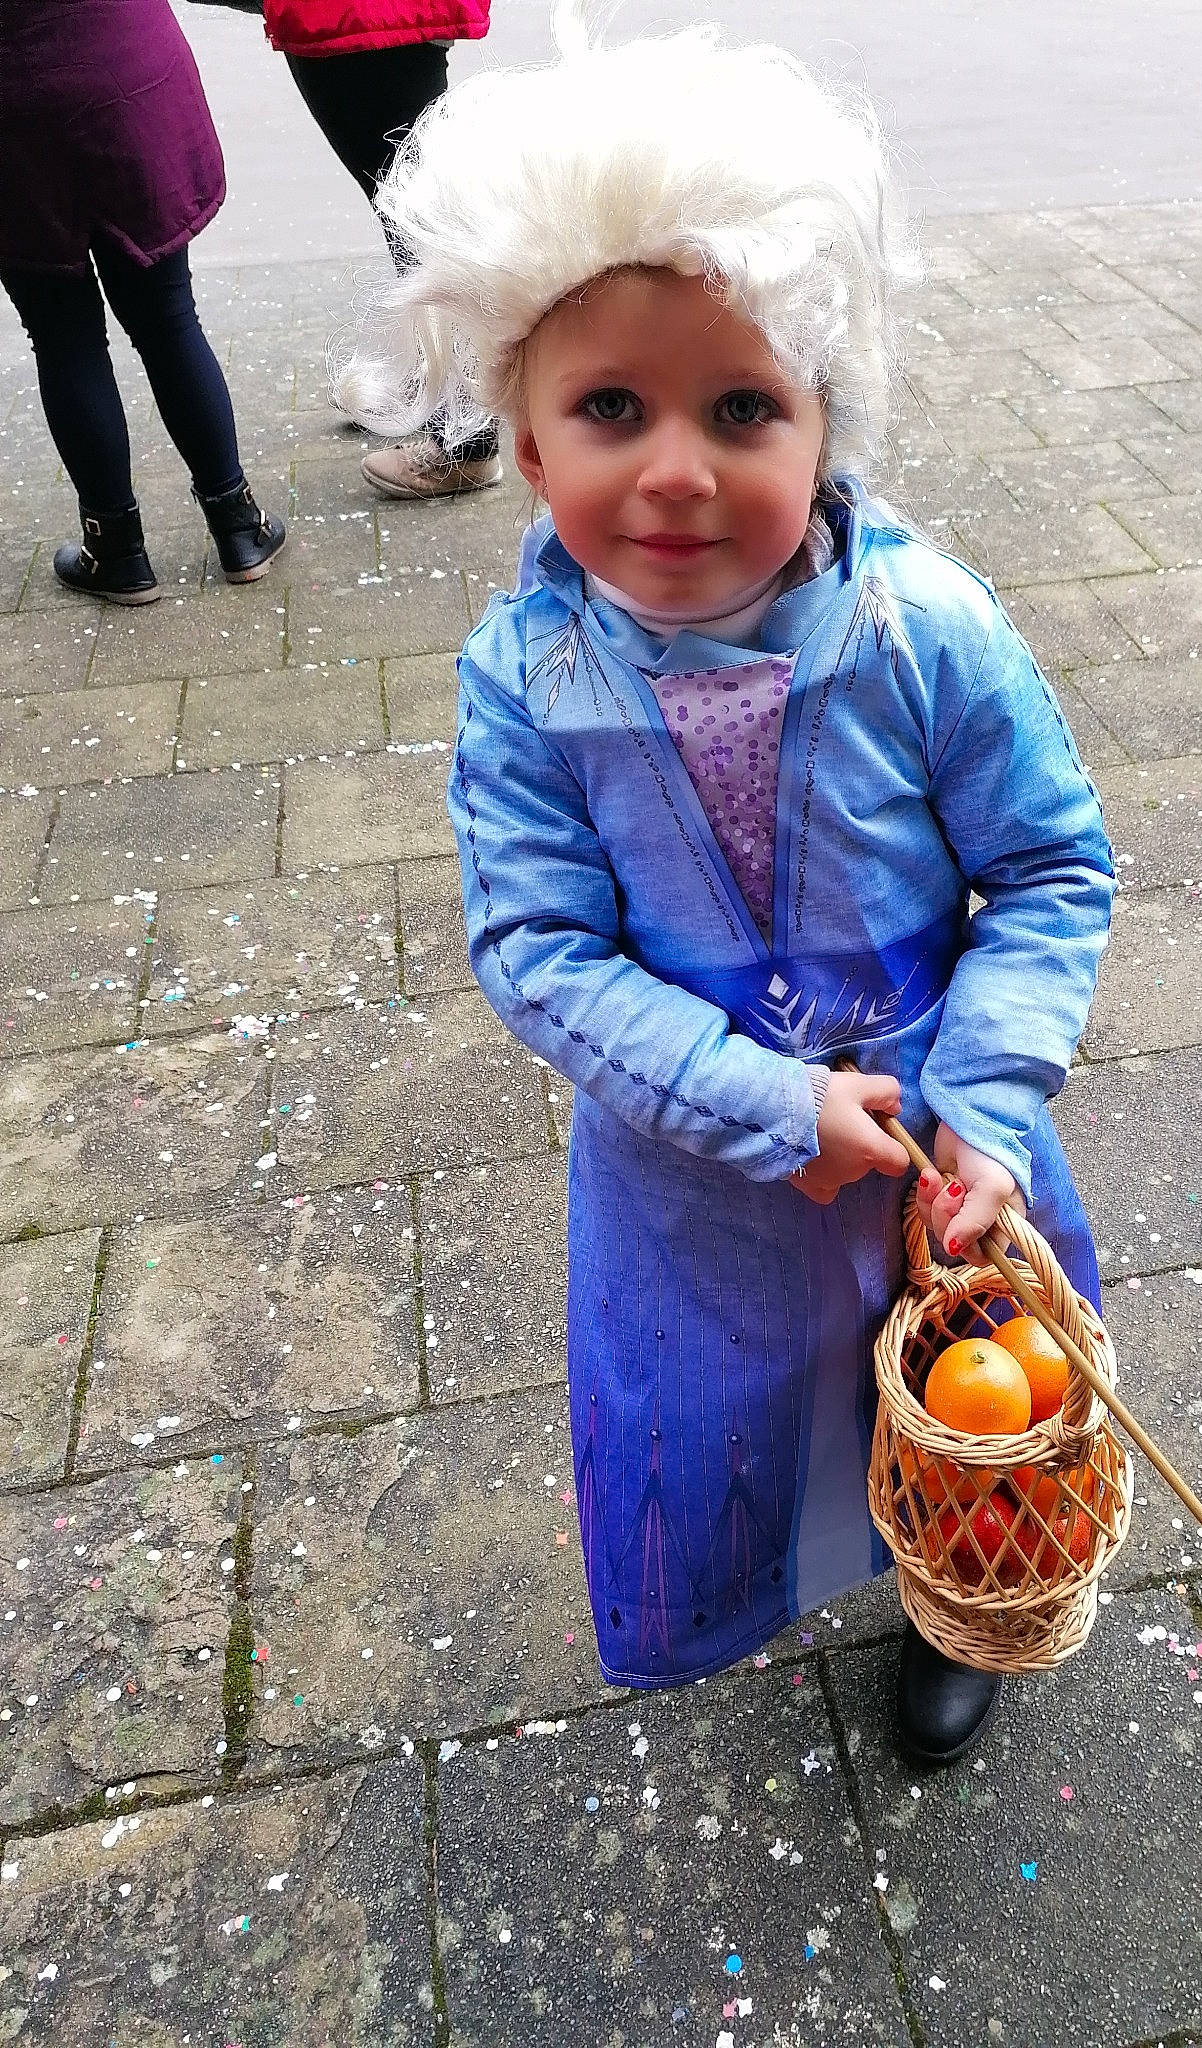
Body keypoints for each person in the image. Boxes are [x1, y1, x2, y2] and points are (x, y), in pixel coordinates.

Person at [344, 1, 1115, 1765]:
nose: (677, 466)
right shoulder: (520, 681)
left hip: (943, 1157)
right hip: (697, 1175)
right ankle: (779, 1571)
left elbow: (1052, 862)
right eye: (611, 405)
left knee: (964, 1395)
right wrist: (762, 1098)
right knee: (744, 1409)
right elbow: (539, 950)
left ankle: (959, 1596)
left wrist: (985, 1105)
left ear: (826, 428)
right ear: (525, 446)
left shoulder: (932, 632)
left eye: (742, 406)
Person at [0, 0, 284, 605]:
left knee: (63, 339)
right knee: (168, 318)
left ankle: (118, 551)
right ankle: (239, 528)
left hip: (16, 97)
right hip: (122, 68)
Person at [263, 0, 501, 500]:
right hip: (366, 15)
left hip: (359, 16)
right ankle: (443, 396)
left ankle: (467, 442)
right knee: (417, 210)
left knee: (420, 223)